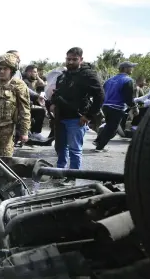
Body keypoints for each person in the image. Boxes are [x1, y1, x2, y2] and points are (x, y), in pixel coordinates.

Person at [50, 47, 104, 184]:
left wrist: (88, 115)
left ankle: (72, 175)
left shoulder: (88, 75)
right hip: (60, 117)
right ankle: (59, 170)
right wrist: (52, 103)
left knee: (75, 149)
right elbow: (57, 93)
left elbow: (100, 96)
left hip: (76, 118)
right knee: (61, 147)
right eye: (68, 59)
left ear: (81, 60)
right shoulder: (63, 76)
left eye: (74, 59)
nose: (71, 62)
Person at [93, 61, 139, 152]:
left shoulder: (109, 80)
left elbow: (102, 93)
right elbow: (128, 97)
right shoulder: (128, 80)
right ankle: (99, 147)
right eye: (131, 67)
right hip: (117, 107)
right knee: (112, 128)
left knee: (109, 126)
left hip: (106, 106)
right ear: (125, 68)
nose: (132, 69)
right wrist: (134, 107)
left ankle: (98, 141)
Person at [23, 65, 48, 141]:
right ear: (29, 72)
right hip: (23, 105)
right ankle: (33, 133)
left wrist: (37, 77)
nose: (36, 74)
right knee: (40, 111)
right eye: (34, 72)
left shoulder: (34, 80)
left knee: (42, 109)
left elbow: (43, 84)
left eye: (36, 72)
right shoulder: (23, 81)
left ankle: (35, 132)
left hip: (30, 103)